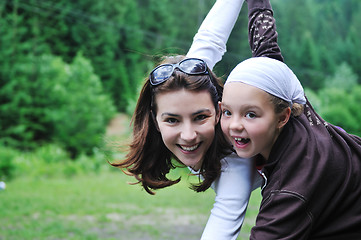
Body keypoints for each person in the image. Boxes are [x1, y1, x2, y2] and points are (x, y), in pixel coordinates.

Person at [111, 0, 282, 238]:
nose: (189, 135)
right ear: (154, 119)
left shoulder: (233, 159)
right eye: (172, 120)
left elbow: (224, 220)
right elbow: (210, 39)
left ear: (218, 109)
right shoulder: (188, 82)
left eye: (200, 117)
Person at [219, 1, 361, 239]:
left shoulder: (291, 189)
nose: (235, 125)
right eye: (227, 112)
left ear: (283, 117)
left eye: (251, 114)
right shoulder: (284, 95)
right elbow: (265, 41)